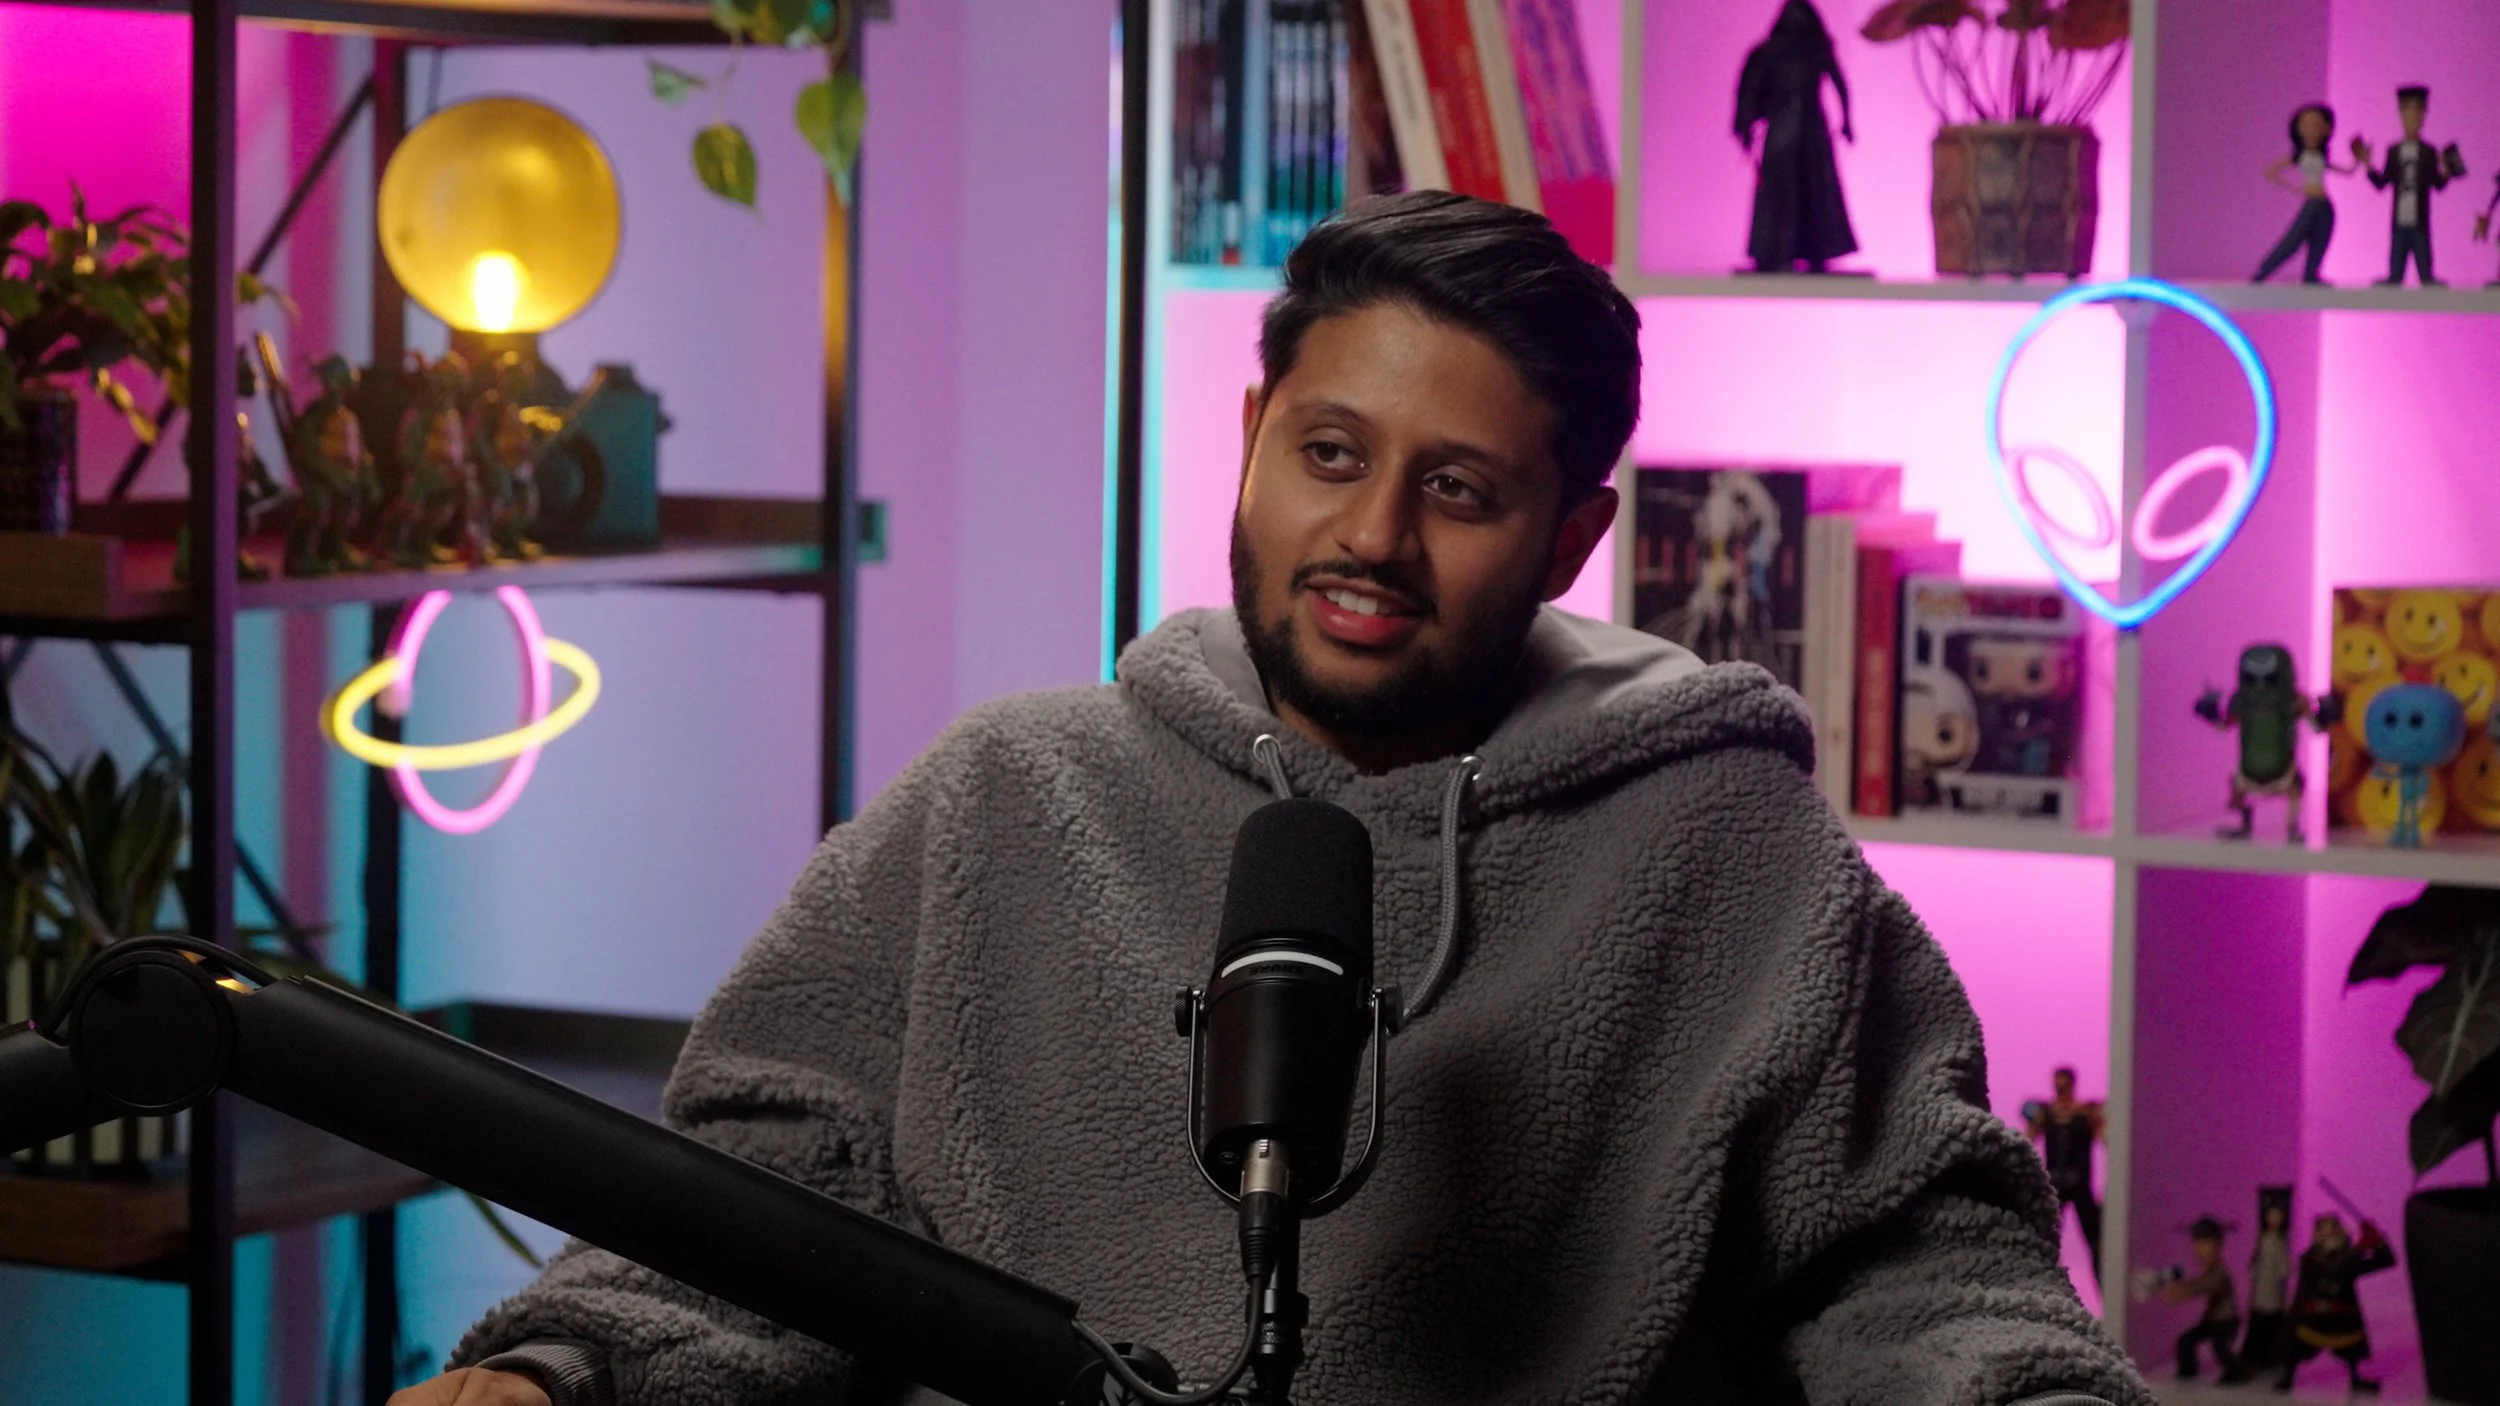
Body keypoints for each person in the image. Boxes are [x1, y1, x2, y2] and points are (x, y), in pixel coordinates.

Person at [394, 193, 2149, 1406]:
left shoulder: (1738, 858)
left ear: (1571, 538)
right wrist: (558, 1372)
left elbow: (1917, 1265)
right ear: (1251, 435)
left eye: (1456, 490)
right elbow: (749, 1212)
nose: (1371, 537)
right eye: (1330, 454)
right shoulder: (1004, 799)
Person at [1734, 0, 1859, 274]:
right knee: (1787, 190)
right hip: (1795, 129)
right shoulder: (1786, 51)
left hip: (1801, 130)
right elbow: (1750, 89)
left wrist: (1744, 126)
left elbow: (1750, 90)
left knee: (1807, 190)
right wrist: (1744, 125)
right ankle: (1782, 252)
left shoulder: (1789, 50)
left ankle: (1803, 253)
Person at [2276, 1213, 2396, 1395]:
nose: (2330, 1232)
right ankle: (2288, 1377)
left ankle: (2356, 1379)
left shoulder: (2350, 1258)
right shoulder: (2309, 1259)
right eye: (2323, 1228)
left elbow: (2386, 1261)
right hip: (2313, 1319)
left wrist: (2378, 1241)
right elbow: (2334, 1270)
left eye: (2334, 1227)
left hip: (2342, 1320)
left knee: (2353, 1346)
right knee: (2296, 1345)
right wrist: (2361, 1246)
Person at [2354, 85, 2461, 287]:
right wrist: (2368, 165)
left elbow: (2438, 185)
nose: (2411, 121)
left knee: (2424, 260)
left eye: (2416, 116)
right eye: (2407, 115)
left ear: (2423, 118)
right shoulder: (2393, 151)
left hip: (2419, 217)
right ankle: (2394, 278)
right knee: (2396, 260)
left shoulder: (2429, 151)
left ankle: (2427, 280)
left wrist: (2447, 171)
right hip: (2399, 218)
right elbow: (2381, 183)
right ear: (2401, 117)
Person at [2253, 103, 2359, 285]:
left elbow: (2346, 171)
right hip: (2312, 203)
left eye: (2317, 125)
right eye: (2306, 125)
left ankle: (2311, 275)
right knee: (2292, 240)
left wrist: (2357, 160)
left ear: (2326, 129)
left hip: (2325, 205)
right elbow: (2270, 172)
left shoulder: (2321, 157)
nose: (2312, 130)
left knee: (2320, 240)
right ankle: (2264, 271)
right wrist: (2296, 188)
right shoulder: (2299, 157)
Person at [2024, 1066, 2106, 1282]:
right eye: (2057, 1086)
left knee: (2097, 1241)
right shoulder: (2046, 1113)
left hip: (2080, 1184)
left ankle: (2107, 1290)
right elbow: (2026, 1141)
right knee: (2045, 1239)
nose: (2060, 1091)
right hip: (2054, 1186)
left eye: (2064, 1086)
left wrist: (2099, 1120)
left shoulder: (2084, 1114)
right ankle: (2043, 1284)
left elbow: (2107, 1140)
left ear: (2072, 1086)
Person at [2159, 1216, 2248, 1383]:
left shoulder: (2220, 1272)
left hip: (2226, 1321)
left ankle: (2238, 1373)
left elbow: (2207, 1285)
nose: (2200, 1249)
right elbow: (2199, 1282)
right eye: (2197, 1244)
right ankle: (2187, 1372)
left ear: (2218, 1245)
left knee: (2220, 1348)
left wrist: (2183, 1291)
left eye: (2206, 1243)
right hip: (2212, 1320)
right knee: (2185, 1341)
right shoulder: (2210, 1270)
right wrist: (2181, 1289)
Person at [2239, 1185, 2294, 1371]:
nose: (2274, 1219)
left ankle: (2272, 1358)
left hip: (2273, 1291)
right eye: (2271, 1214)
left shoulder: (2280, 1241)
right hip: (2261, 1290)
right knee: (2260, 1324)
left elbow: (2284, 1270)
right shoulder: (2263, 1239)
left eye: (2278, 1215)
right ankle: (2256, 1358)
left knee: (2272, 1324)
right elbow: (2255, 1268)